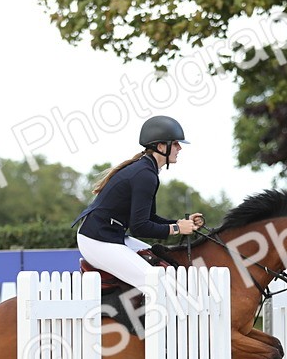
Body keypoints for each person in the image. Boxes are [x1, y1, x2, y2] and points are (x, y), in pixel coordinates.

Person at [73, 115, 205, 291]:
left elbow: (150, 218)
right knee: (156, 284)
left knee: (162, 262)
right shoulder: (145, 174)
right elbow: (140, 227)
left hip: (109, 236)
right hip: (97, 241)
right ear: (160, 147)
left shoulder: (148, 171)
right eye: (174, 143)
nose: (179, 147)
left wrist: (179, 223)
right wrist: (177, 229)